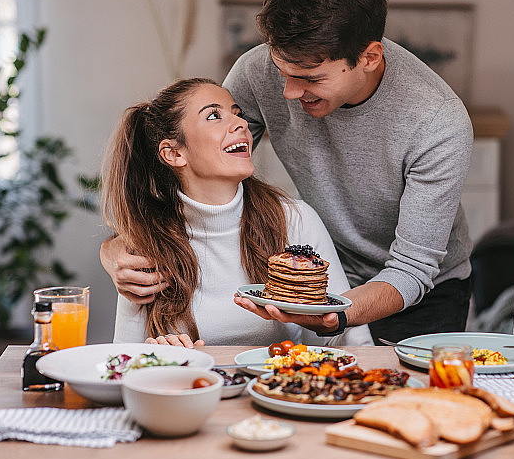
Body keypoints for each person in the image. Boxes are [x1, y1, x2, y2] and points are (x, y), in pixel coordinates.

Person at [100, 0, 474, 344]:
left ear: (369, 57)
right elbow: (200, 161)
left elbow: (411, 269)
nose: (290, 93)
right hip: (324, 273)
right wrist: (121, 245)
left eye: (310, 78)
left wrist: (332, 314)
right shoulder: (257, 70)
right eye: (282, 71)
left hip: (418, 295)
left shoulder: (438, 122)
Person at [101, 77, 372, 347]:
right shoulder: (144, 246)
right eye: (214, 116)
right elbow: (124, 361)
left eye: (237, 114)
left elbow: (348, 342)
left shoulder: (295, 219)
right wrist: (160, 360)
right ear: (174, 154)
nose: (241, 124)